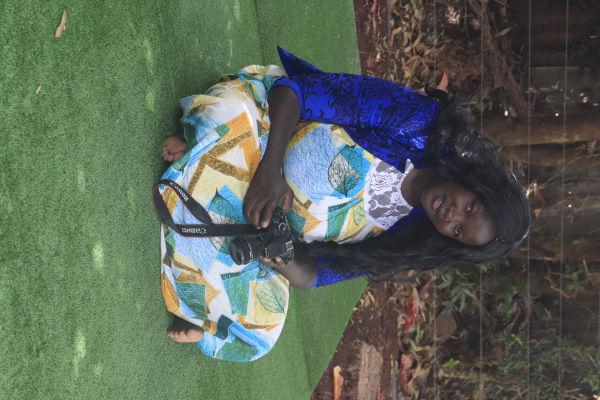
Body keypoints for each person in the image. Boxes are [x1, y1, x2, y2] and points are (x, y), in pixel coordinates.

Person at [157, 47, 531, 362]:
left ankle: (198, 167)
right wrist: (269, 170)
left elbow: (317, 273)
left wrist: (284, 258)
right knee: (229, 115)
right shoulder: (419, 124)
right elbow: (297, 91)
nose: (451, 216)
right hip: (266, 129)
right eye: (470, 207)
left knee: (264, 330)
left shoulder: (409, 241)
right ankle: (202, 164)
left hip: (257, 216)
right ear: (476, 182)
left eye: (458, 231)